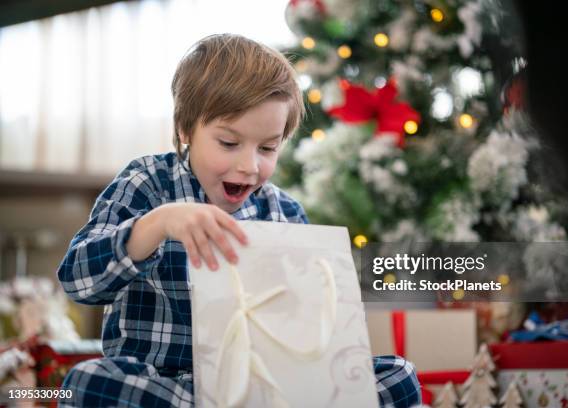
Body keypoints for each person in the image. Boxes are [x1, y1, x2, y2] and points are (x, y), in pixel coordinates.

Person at [57, 34, 421, 407]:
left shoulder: (285, 213)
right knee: (86, 384)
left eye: (267, 148)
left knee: (401, 376)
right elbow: (77, 282)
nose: (249, 166)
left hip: (264, 383)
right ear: (186, 130)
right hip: (170, 385)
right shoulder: (146, 183)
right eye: (229, 144)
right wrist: (157, 224)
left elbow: (310, 326)